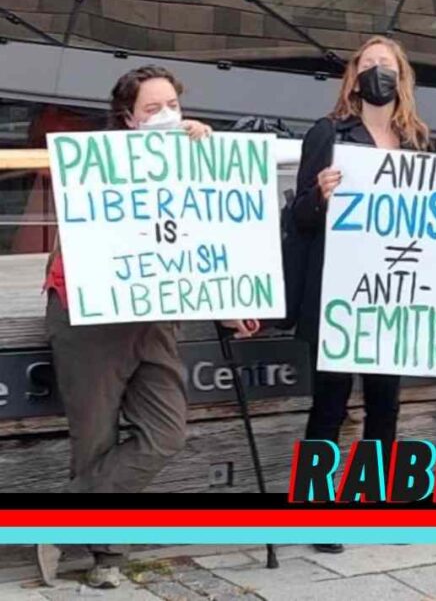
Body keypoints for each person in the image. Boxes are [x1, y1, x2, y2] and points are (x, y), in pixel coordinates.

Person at [36, 65, 260, 589]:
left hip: (154, 313)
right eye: (152, 109)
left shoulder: (193, 156)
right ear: (129, 119)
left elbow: (207, 237)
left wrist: (228, 303)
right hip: (88, 311)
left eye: (172, 106)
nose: (167, 117)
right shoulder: (99, 162)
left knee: (164, 432)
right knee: (94, 437)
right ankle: (105, 557)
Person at [291, 36, 436, 550]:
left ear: (402, 76)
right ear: (353, 75)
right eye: (368, 63)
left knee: (386, 405)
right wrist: (320, 194)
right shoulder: (328, 133)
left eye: (387, 64)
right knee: (330, 405)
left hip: (396, 298)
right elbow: (300, 218)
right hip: (343, 294)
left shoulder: (419, 141)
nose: (377, 70)